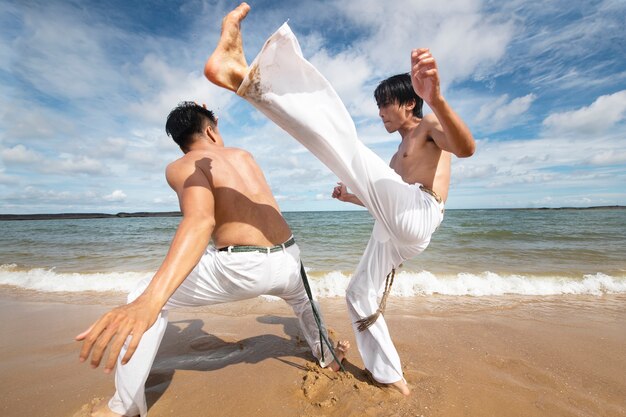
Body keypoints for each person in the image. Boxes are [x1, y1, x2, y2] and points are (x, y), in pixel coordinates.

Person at [203, 3, 475, 396]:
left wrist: (438, 98)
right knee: (358, 293)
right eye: (378, 104)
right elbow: (385, 201)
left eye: (386, 103)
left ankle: (242, 76)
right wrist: (354, 195)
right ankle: (390, 377)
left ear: (410, 103)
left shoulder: (429, 125)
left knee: (343, 144)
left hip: (421, 211)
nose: (380, 111)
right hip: (399, 227)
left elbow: (466, 149)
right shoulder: (396, 157)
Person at [75, 101, 349, 417]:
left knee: (141, 295)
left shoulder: (183, 165)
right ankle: (326, 355)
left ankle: (123, 407)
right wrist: (210, 119)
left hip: (243, 268)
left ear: (179, 142)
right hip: (290, 261)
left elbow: (200, 221)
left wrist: (151, 299)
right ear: (210, 129)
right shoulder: (244, 156)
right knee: (303, 303)